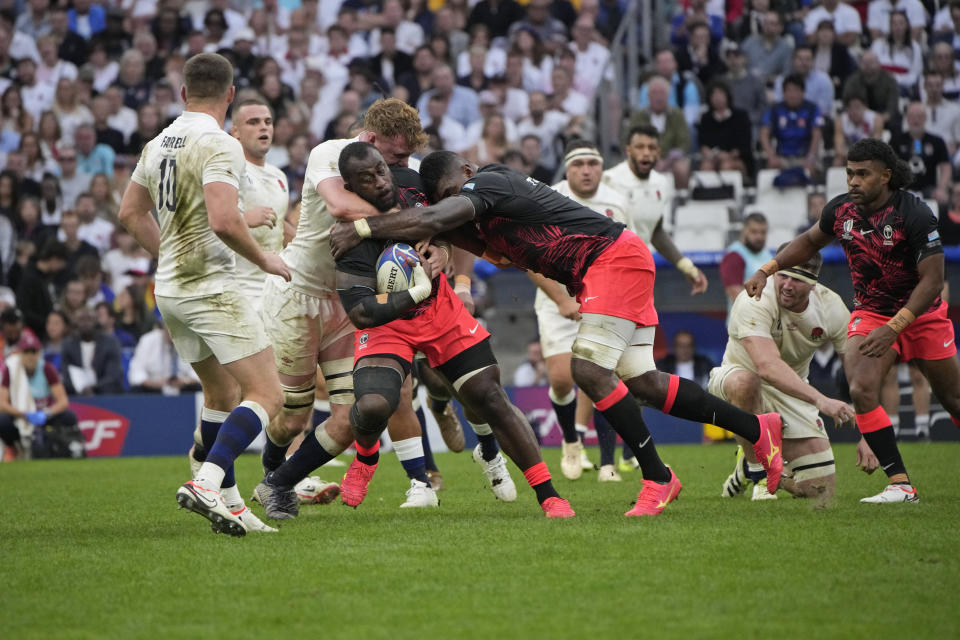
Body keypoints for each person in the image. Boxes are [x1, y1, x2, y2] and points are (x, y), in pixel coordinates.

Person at [330, 151, 785, 518]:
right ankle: (756, 428)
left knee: (586, 368)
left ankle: (659, 477)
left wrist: (364, 228)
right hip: (604, 268)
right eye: (445, 196)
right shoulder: (489, 218)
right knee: (642, 380)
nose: (454, 200)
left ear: (467, 171)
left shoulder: (489, 181)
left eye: (452, 191)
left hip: (611, 259)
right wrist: (432, 244)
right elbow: (451, 233)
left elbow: (434, 218)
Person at [250, 99, 475, 518]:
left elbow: (448, 223)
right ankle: (267, 470)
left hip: (350, 298)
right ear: (370, 140)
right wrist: (410, 223)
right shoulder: (329, 154)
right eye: (394, 157)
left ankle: (276, 486)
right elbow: (341, 208)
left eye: (406, 158)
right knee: (293, 416)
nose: (399, 170)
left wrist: (442, 250)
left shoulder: (408, 168)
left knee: (358, 411)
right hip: (297, 293)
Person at [333, 141, 569, 517]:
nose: (381, 178)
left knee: (488, 396)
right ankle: (370, 459)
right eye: (368, 176)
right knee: (378, 402)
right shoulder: (339, 214)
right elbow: (361, 308)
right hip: (388, 318)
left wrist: (448, 259)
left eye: (382, 168)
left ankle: (547, 493)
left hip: (438, 307)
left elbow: (448, 221)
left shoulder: (416, 183)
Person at [117, 53, 291, 536]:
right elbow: (224, 218)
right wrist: (266, 259)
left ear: (183, 93)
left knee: (220, 393)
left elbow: (130, 213)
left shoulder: (157, 142)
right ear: (230, 95)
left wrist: (167, 253)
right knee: (268, 393)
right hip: (210, 286)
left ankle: (230, 502)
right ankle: (207, 482)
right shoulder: (218, 143)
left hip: (170, 288)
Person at [743, 138, 960, 504]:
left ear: (886, 176)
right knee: (860, 387)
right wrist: (768, 268)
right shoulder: (841, 211)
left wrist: (895, 327)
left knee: (954, 400)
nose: (853, 181)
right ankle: (901, 484)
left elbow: (933, 281)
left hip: (921, 315)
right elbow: (809, 242)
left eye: (863, 174)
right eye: (849, 173)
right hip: (872, 311)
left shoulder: (916, 214)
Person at [716, 250, 852, 503]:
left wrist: (870, 435)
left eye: (797, 280)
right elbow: (767, 367)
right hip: (736, 377)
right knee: (746, 381)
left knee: (818, 492)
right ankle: (759, 471)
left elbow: (856, 372)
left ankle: (746, 464)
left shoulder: (831, 307)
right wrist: (822, 401)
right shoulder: (754, 299)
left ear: (813, 283)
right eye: (783, 277)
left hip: (793, 391)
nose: (787, 286)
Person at [532, 139, 628, 481]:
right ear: (567, 168)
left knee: (601, 377)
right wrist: (561, 299)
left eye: (593, 163)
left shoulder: (617, 203)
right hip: (558, 301)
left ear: (602, 167)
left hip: (602, 303)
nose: (586, 170)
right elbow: (528, 256)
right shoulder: (546, 198)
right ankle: (571, 440)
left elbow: (627, 256)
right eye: (578, 164)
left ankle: (608, 463)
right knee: (561, 379)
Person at [0, 331, 81, 460]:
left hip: (42, 416)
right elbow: (2, 404)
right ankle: (12, 447)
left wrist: (46, 413)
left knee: (69, 417)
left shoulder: (46, 369)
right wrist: (23, 414)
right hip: (20, 416)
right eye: (27, 352)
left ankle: (61, 446)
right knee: (2, 420)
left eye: (34, 352)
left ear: (39, 354)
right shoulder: (12, 370)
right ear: (20, 354)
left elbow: (63, 401)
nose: (30, 356)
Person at [760, 73, 823, 175]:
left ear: (803, 92)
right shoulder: (775, 109)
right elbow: (764, 133)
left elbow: (817, 134)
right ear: (783, 93)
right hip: (782, 158)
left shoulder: (812, 108)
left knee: (811, 170)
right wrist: (771, 156)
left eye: (796, 90)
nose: (792, 95)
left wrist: (810, 157)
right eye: (789, 90)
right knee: (770, 169)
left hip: (805, 157)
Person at [891, 103, 951, 205]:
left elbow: (945, 167)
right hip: (902, 187)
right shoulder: (896, 140)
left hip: (929, 189)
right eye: (912, 116)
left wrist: (941, 188)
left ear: (925, 118)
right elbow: (888, 165)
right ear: (907, 119)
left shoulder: (937, 141)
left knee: (943, 198)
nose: (916, 120)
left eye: (919, 116)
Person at [59, 307, 124, 395]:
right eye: (81, 320)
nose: (86, 323)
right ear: (76, 323)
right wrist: (82, 389)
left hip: (104, 391)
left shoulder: (110, 343)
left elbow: (113, 374)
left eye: (89, 319)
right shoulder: (68, 345)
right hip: (76, 392)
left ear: (96, 321)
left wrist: (94, 388)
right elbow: (66, 374)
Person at [128, 322, 201, 394]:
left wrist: (185, 381)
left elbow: (201, 373)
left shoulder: (192, 341)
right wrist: (151, 383)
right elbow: (136, 372)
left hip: (184, 389)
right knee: (136, 390)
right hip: (154, 390)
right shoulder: (148, 340)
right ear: (163, 326)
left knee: (201, 389)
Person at [721, 213, 770, 304]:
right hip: (746, 317)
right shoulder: (734, 256)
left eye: (763, 232)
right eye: (754, 232)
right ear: (744, 231)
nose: (759, 237)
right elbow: (737, 297)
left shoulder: (767, 254)